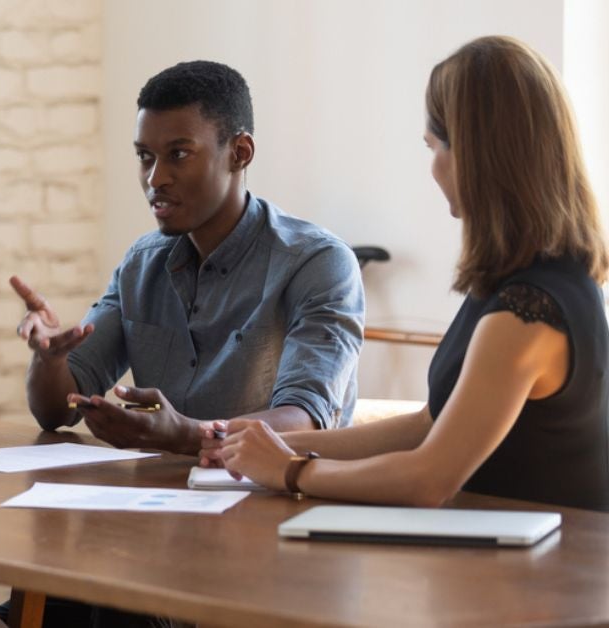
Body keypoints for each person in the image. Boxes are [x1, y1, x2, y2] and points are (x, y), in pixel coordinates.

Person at [5, 60, 364, 627]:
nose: (155, 178)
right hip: (157, 530)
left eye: (178, 154)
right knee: (48, 591)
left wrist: (188, 435)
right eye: (145, 157)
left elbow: (305, 421)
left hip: (273, 541)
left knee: (86, 601)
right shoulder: (142, 263)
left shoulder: (317, 263)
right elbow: (56, 409)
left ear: (239, 152)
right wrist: (51, 359)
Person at [214, 36, 609, 512]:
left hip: (539, 578)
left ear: (478, 154)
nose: (433, 168)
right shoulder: (527, 281)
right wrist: (265, 448)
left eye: (434, 146)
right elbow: (430, 424)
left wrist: (290, 471)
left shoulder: (526, 313)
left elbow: (428, 479)